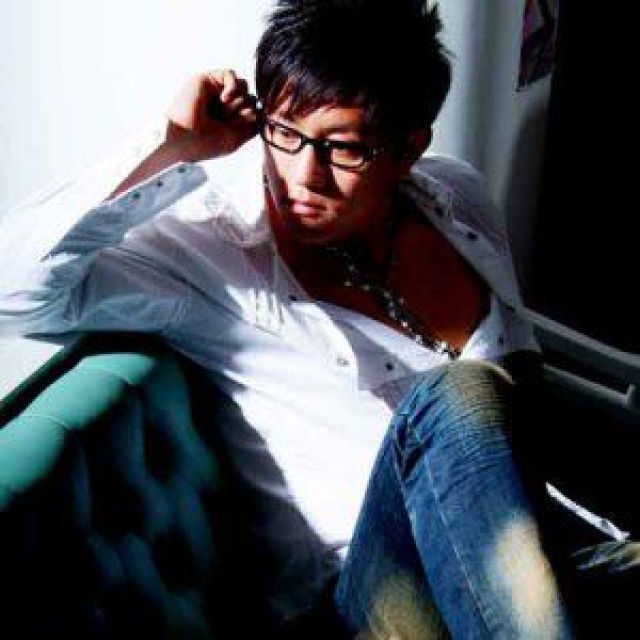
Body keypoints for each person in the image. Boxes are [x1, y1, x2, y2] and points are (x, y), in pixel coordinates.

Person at [0, 0, 576, 637]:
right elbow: (10, 291)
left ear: (410, 147)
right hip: (368, 600)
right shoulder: (209, 252)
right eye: (285, 133)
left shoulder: (457, 199)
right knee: (456, 393)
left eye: (344, 149)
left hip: (541, 560)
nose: (304, 177)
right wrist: (172, 147)